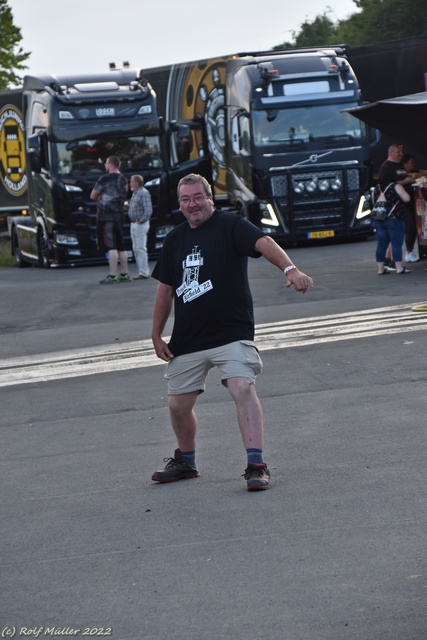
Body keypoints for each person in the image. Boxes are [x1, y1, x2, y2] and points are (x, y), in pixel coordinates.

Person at [150, 173, 313, 491]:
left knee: (241, 386)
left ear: (210, 197)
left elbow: (264, 243)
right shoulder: (175, 239)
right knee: (177, 405)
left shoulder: (230, 225)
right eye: (186, 199)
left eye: (198, 197)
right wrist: (156, 335)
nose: (192, 204)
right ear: (180, 204)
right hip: (188, 337)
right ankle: (186, 461)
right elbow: (165, 290)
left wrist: (290, 269)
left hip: (231, 332)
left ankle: (256, 465)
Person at [90, 156, 130, 284]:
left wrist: (102, 197)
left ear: (110, 164)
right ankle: (124, 273)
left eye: (106, 163)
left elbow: (93, 195)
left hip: (106, 215)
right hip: (119, 215)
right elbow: (124, 194)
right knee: (121, 245)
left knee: (111, 245)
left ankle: (112, 275)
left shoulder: (104, 179)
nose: (105, 166)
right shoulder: (123, 178)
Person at [378, 144, 415, 269]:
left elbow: (403, 176)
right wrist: (404, 182)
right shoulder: (386, 167)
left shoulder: (399, 166)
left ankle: (388, 260)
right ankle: (395, 262)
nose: (401, 154)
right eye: (398, 152)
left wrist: (409, 178)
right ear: (391, 153)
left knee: (395, 233)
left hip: (403, 204)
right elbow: (386, 185)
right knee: (396, 233)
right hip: (394, 206)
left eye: (401, 152)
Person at [373, 180, 411, 275]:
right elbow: (407, 198)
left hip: (380, 219)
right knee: (396, 244)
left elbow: (373, 201)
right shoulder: (396, 186)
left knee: (381, 244)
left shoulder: (376, 188)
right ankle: (399, 268)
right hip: (395, 218)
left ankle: (380, 269)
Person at [128, 175, 153, 280]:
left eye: (132, 182)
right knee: (136, 248)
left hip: (140, 224)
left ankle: (144, 272)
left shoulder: (143, 193)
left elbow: (148, 210)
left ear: (137, 183)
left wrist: (141, 220)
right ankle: (141, 271)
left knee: (141, 248)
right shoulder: (135, 193)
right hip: (134, 223)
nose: (130, 184)